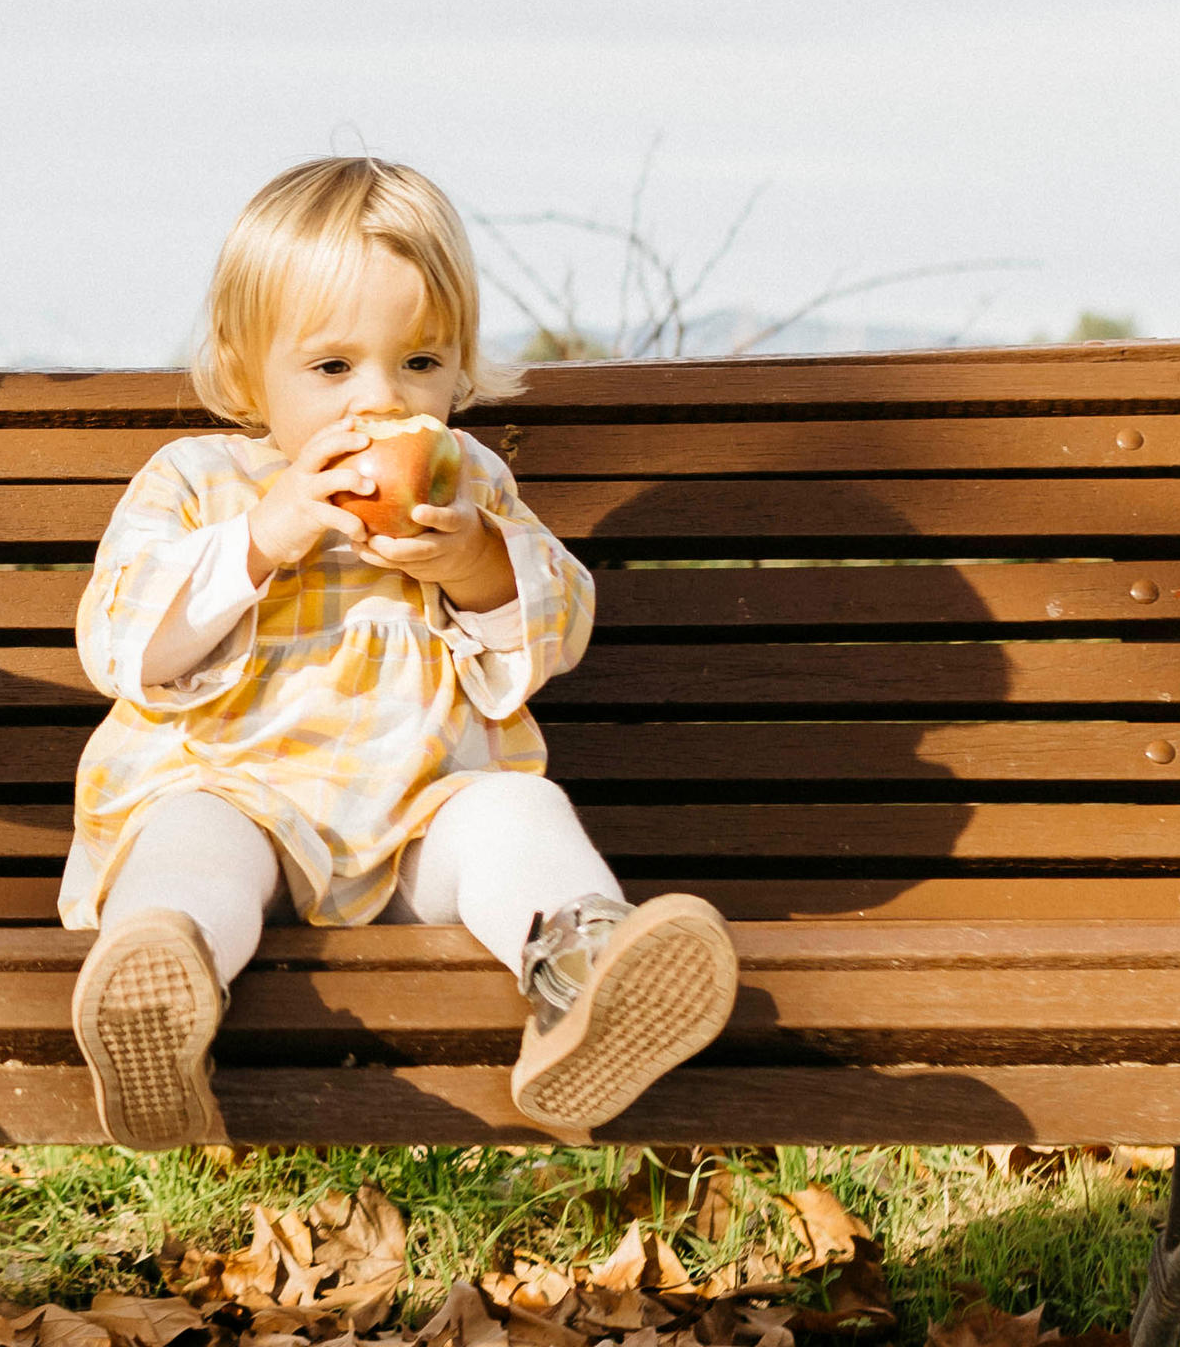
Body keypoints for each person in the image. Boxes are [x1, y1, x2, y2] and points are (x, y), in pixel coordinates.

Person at [59, 156, 736, 1150]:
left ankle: (583, 976)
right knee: (189, 839)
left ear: (460, 366)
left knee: (515, 808)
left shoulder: (465, 483)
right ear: (248, 370)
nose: (379, 401)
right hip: (237, 797)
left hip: (419, 820)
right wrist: (263, 538)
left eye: (417, 363)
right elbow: (120, 641)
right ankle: (160, 987)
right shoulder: (201, 480)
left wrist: (473, 562)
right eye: (331, 368)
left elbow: (556, 629)